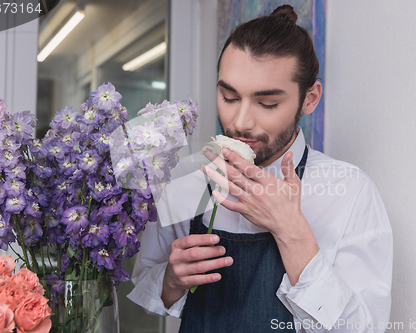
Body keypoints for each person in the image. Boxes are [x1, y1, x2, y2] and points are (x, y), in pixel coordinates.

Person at [128, 5, 393, 333]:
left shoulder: (350, 191)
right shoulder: (185, 178)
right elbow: (145, 282)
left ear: (309, 99)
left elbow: (363, 328)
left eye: (267, 104)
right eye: (229, 97)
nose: (240, 122)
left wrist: (290, 230)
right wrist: (171, 279)